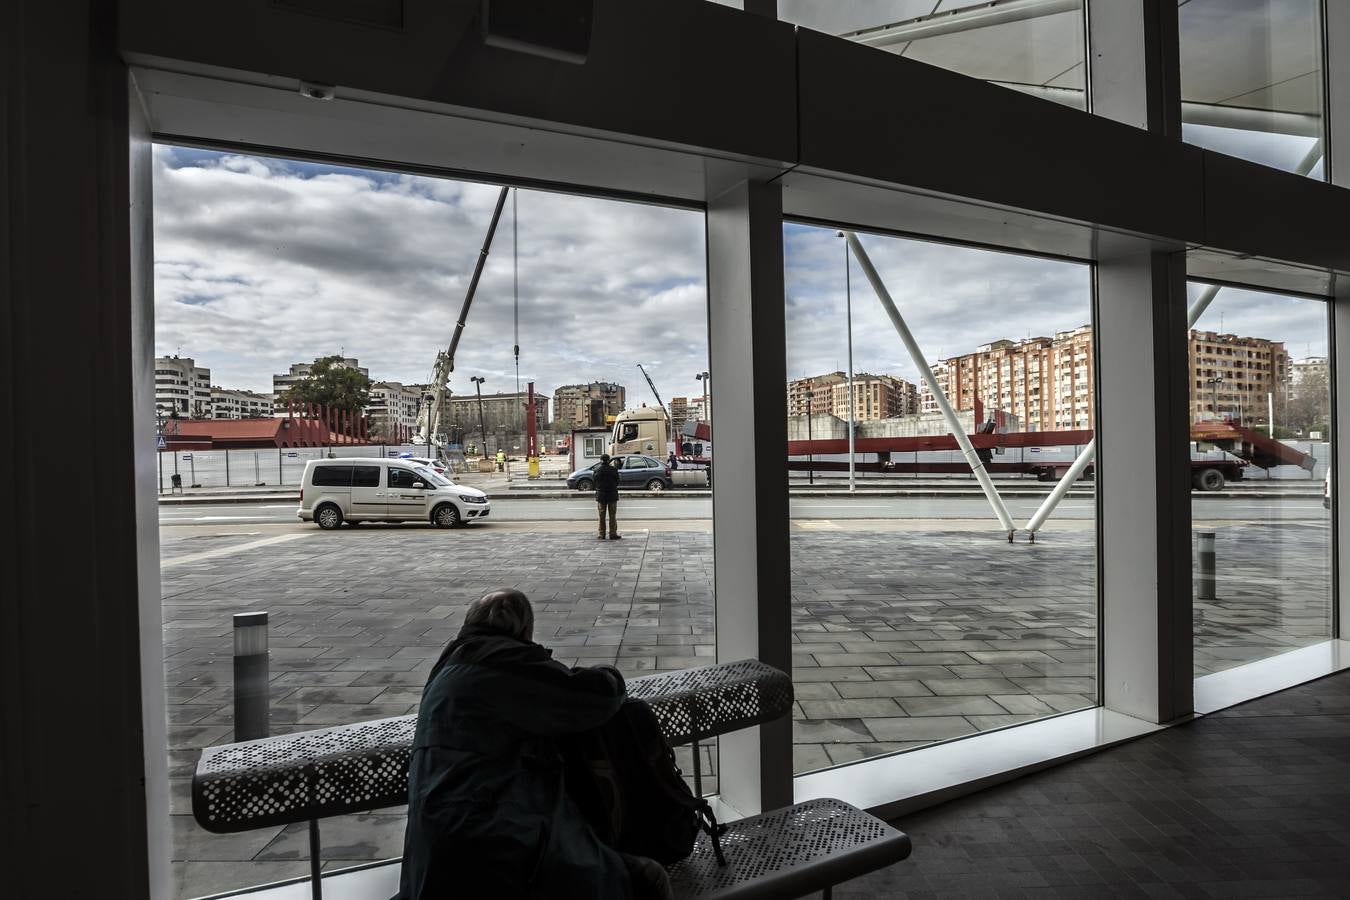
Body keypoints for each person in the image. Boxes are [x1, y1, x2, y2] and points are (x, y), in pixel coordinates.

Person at [396, 590, 670, 899]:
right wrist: (610, 673)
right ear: (525, 631)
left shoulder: (447, 669)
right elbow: (595, 696)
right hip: (497, 848)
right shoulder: (504, 661)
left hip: (431, 863)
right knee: (647, 881)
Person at [595, 453, 621, 540]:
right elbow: (617, 482)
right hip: (612, 495)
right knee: (612, 515)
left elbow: (595, 482)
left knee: (601, 515)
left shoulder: (597, 470)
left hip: (601, 495)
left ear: (601, 460)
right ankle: (613, 533)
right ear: (609, 460)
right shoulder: (613, 470)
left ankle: (601, 534)